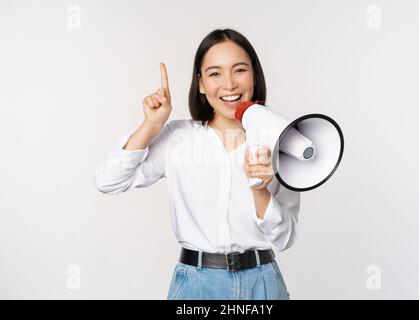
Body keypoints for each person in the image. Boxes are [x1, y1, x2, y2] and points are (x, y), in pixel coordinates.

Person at [94, 28, 300, 300]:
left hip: (262, 285)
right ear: (201, 83)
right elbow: (108, 181)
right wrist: (151, 124)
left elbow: (285, 239)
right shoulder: (178, 139)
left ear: (254, 75)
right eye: (215, 73)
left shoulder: (282, 141)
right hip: (196, 287)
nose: (229, 84)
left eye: (239, 70)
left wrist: (260, 191)